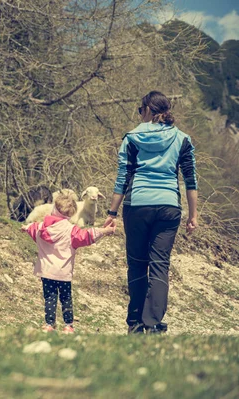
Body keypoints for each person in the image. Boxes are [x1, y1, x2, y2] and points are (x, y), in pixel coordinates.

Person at [103, 91, 198, 335]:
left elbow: (123, 178)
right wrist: (193, 215)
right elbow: (190, 180)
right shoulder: (183, 139)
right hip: (168, 207)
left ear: (147, 109)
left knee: (136, 264)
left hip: (137, 205)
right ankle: (153, 322)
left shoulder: (132, 138)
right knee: (159, 264)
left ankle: (135, 323)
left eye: (140, 109)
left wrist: (112, 212)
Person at [22, 193, 115, 334]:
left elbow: (31, 228)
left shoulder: (40, 228)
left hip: (46, 272)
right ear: (70, 214)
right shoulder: (71, 231)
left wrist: (25, 227)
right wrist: (105, 230)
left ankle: (49, 324)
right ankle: (68, 325)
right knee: (66, 299)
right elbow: (88, 235)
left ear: (54, 209)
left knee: (49, 298)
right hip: (63, 273)